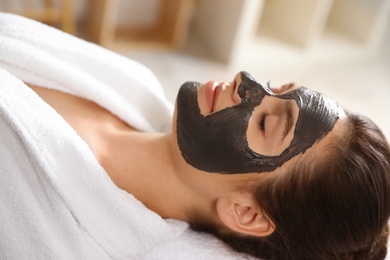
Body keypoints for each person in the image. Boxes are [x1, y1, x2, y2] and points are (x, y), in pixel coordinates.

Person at [1, 12, 390, 259]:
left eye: (266, 123)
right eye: (276, 85)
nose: (246, 82)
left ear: (246, 213)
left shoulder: (66, 239)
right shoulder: (137, 85)